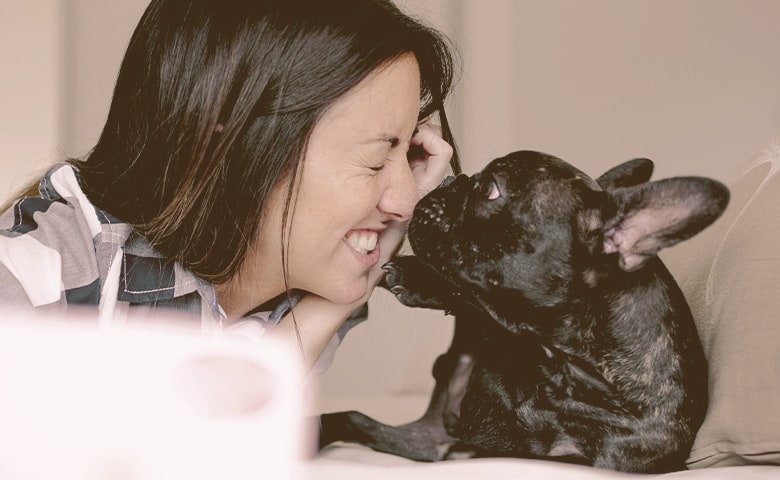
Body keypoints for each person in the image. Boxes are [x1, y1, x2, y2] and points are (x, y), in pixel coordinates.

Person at [0, 0, 460, 373]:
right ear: (241, 139)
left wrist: (346, 292)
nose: (405, 202)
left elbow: (207, 429)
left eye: (409, 155)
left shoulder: (292, 297)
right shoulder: (29, 283)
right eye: (378, 158)